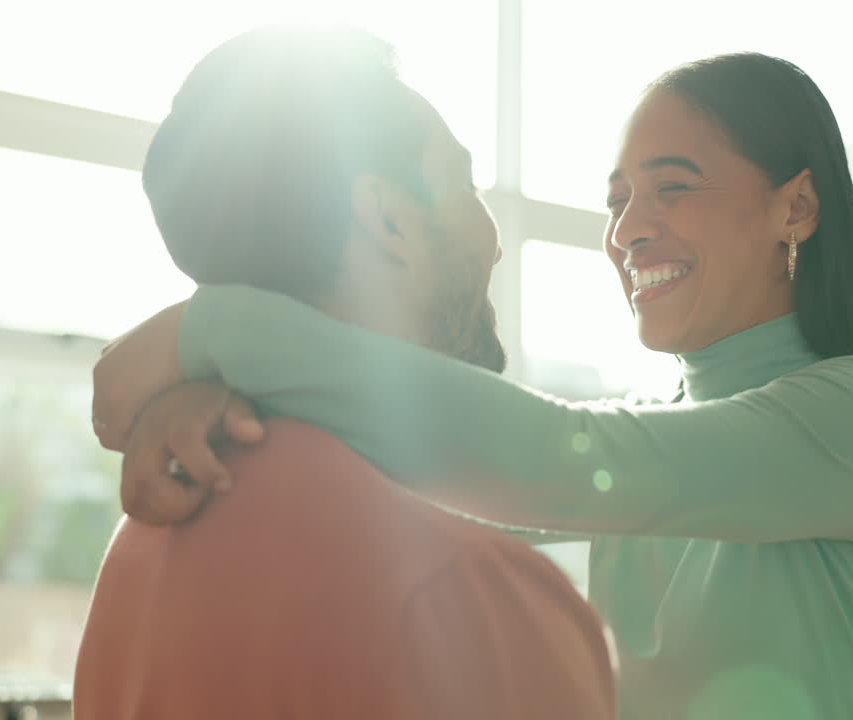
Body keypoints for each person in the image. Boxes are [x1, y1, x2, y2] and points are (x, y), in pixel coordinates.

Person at [94, 48, 853, 720]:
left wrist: (213, 330)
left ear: (797, 209)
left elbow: (549, 457)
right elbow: (429, 470)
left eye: (674, 188)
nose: (629, 230)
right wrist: (214, 391)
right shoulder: (661, 444)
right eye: (618, 199)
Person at [73, 26, 616, 720]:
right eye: (464, 186)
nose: (494, 234)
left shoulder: (136, 551)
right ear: (387, 218)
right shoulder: (472, 593)